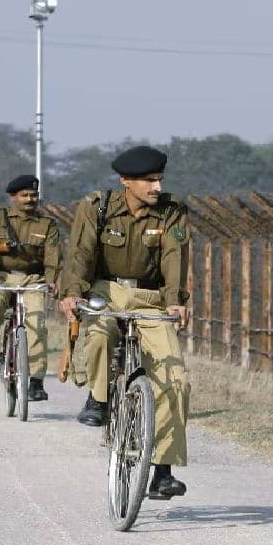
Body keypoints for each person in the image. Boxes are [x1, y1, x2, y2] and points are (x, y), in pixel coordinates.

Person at [58, 145, 192, 500]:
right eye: (149, 181)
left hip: (151, 299)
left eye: (159, 180)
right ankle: (99, 399)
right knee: (101, 334)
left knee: (174, 378)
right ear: (126, 181)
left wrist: (177, 302)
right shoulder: (97, 208)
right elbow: (82, 253)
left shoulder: (172, 214)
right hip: (108, 292)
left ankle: (163, 470)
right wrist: (74, 293)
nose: (157, 188)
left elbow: (175, 258)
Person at [0, 175, 60, 401]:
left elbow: (52, 257)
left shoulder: (47, 224)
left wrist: (52, 280)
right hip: (2, 276)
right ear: (13, 197)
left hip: (32, 280)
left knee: (37, 323)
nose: (30, 199)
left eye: (34, 195)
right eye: (25, 195)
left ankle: (37, 382)